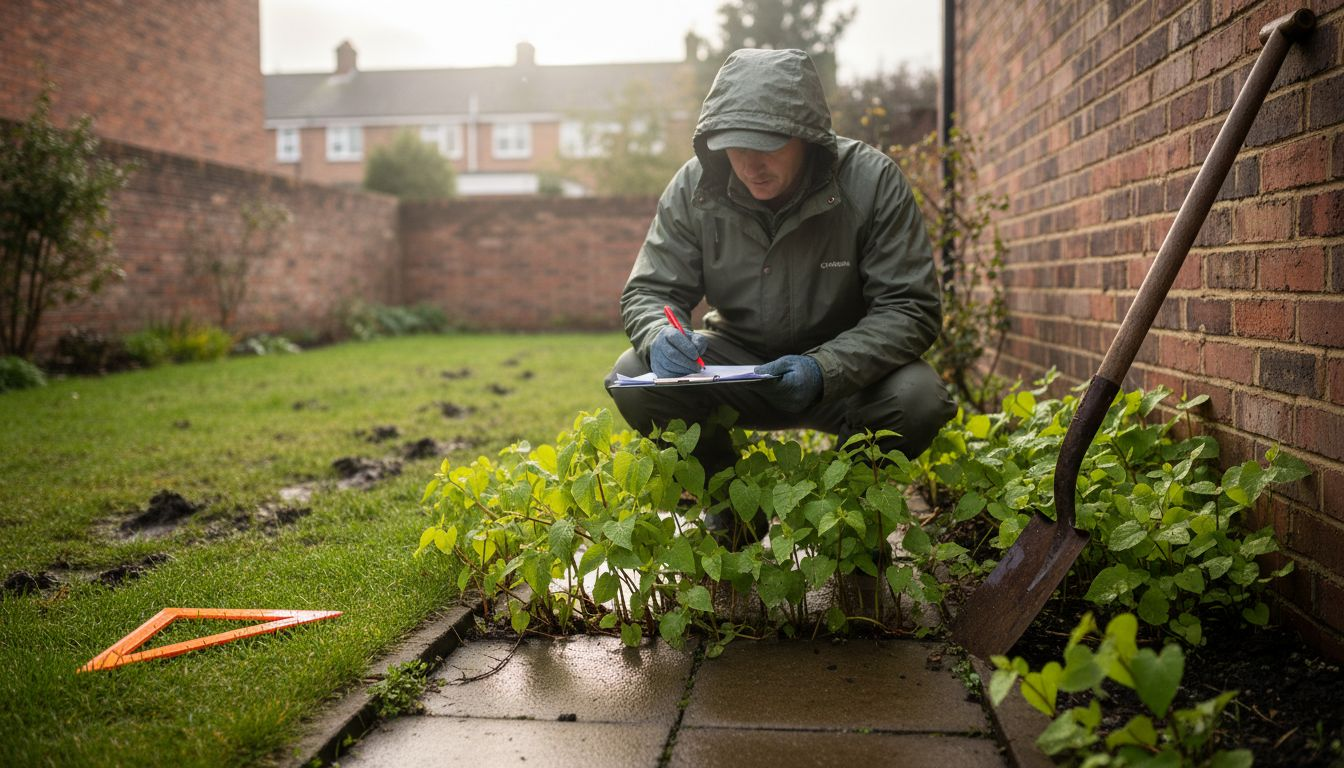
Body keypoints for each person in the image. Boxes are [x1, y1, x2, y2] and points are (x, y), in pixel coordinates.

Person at [606, 47, 955, 498]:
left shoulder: (872, 182)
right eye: (734, 146)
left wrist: (824, 368)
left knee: (918, 397)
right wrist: (659, 335)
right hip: (738, 365)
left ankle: (844, 515)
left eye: (766, 147)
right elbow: (650, 290)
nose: (750, 164)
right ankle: (730, 507)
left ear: (807, 137)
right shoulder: (694, 187)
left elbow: (910, 307)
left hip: (845, 375)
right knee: (635, 374)